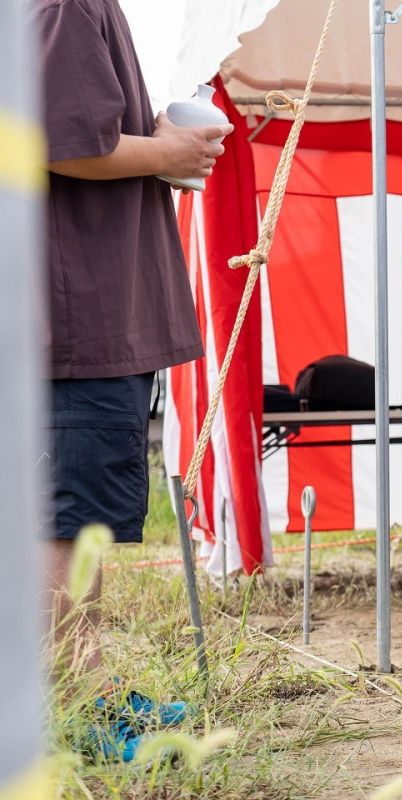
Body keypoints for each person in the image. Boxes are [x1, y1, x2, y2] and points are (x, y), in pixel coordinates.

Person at [35, 0, 232, 761]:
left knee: (65, 514)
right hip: (77, 314)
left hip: (75, 312)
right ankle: (72, 698)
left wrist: (155, 137)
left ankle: (81, 682)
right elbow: (65, 141)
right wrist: (168, 153)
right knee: (61, 518)